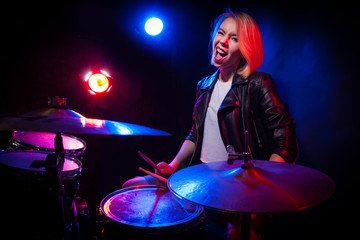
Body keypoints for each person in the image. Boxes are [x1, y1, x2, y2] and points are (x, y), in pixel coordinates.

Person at [123, 10, 298, 188]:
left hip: (239, 185)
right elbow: (196, 132)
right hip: (203, 178)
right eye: (221, 33)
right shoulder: (204, 85)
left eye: (234, 38)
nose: (223, 41)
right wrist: (173, 165)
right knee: (131, 185)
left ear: (245, 49)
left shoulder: (259, 83)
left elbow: (285, 140)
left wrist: (264, 185)